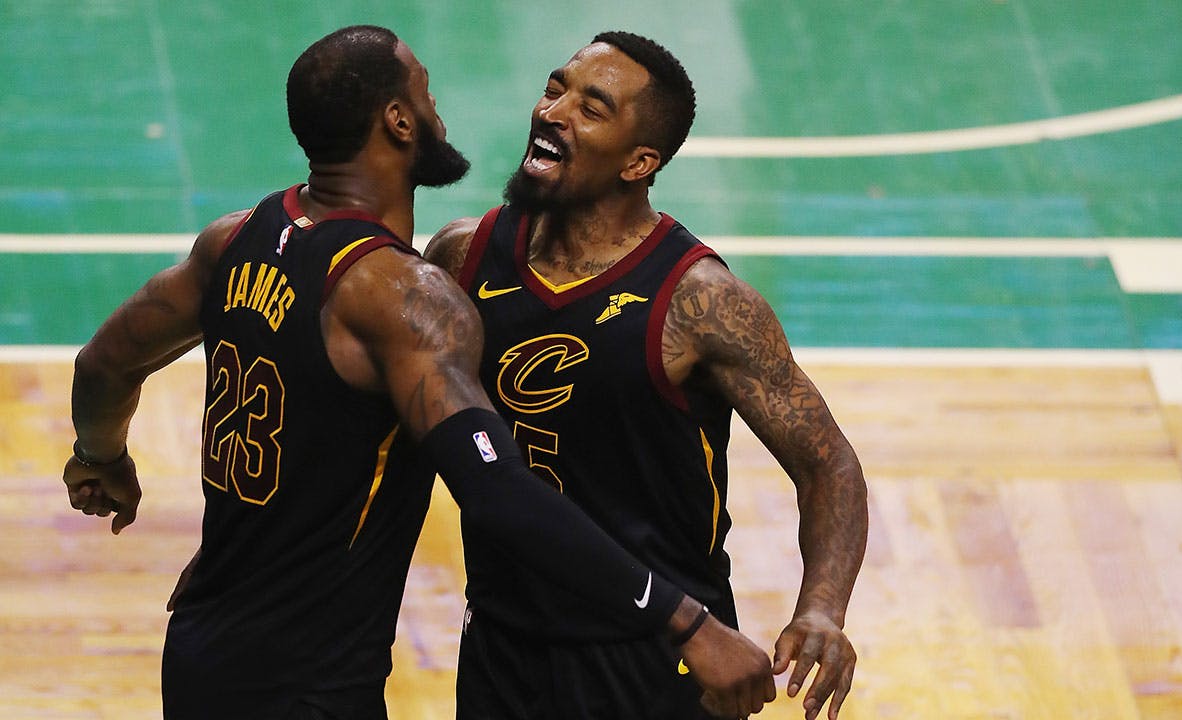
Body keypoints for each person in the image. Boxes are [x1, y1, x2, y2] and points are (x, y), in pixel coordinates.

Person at [61, 25, 777, 720]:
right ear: (401, 123)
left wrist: (102, 455)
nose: (440, 111)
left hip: (202, 647)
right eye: (427, 95)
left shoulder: (233, 241)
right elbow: (495, 489)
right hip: (313, 683)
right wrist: (688, 622)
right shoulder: (407, 300)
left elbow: (104, 363)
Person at [424, 30, 869, 720]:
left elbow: (828, 465)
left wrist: (821, 609)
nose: (553, 112)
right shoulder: (462, 256)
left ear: (640, 161)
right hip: (503, 651)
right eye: (554, 87)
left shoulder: (701, 302)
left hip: (657, 660)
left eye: (591, 107)